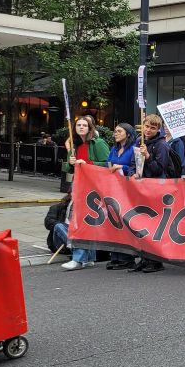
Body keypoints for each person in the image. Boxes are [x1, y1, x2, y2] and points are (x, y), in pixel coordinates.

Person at [60, 115, 109, 269]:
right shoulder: (74, 146)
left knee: (81, 221)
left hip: (93, 187)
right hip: (78, 186)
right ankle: (88, 258)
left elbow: (108, 164)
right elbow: (69, 169)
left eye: (84, 125)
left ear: (90, 128)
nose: (81, 127)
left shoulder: (98, 143)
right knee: (83, 222)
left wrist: (87, 163)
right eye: (78, 125)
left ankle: (78, 259)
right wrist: (70, 163)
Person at [129, 114, 172, 274]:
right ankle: (144, 258)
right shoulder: (139, 141)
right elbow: (133, 162)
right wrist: (133, 173)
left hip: (155, 190)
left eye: (152, 128)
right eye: (147, 126)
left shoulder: (162, 145)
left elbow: (159, 169)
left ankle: (155, 261)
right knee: (141, 223)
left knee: (153, 226)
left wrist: (147, 156)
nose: (148, 130)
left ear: (158, 129)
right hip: (140, 188)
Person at [105, 122, 138, 270]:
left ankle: (127, 258)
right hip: (114, 189)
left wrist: (122, 167)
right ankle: (116, 256)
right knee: (114, 222)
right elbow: (108, 163)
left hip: (128, 190)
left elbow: (136, 167)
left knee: (125, 223)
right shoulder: (114, 148)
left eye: (119, 131)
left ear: (128, 134)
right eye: (115, 131)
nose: (116, 134)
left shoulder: (134, 149)